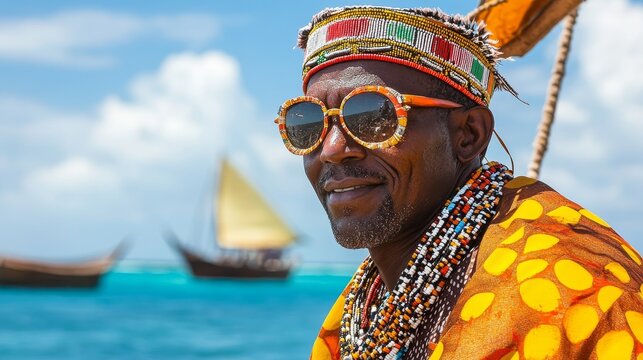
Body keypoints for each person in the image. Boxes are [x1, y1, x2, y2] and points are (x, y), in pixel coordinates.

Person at [275, 6, 642, 359]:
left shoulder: (576, 296)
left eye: (373, 116)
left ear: (469, 134)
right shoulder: (361, 309)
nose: (333, 149)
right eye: (308, 124)